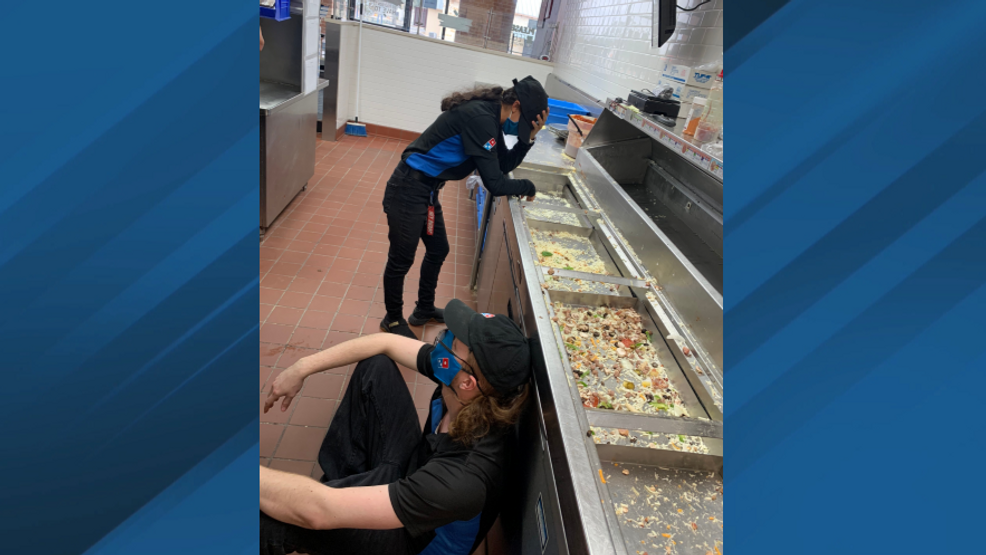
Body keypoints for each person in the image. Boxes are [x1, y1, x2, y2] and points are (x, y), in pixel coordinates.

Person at [260, 299, 532, 555]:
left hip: (415, 540)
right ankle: (342, 489)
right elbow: (385, 342)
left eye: (453, 342)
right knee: (376, 367)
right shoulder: (469, 389)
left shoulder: (463, 478)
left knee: (284, 519)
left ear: (467, 383)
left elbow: (317, 512)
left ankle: (336, 505)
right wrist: (302, 367)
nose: (444, 340)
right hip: (417, 474)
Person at [379, 77, 550, 338]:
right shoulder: (481, 119)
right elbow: (495, 183)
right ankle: (392, 319)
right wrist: (528, 186)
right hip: (408, 188)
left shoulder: (492, 116)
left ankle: (423, 308)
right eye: (525, 122)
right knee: (401, 259)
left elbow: (503, 165)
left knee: (438, 249)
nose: (520, 128)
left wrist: (528, 139)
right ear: (515, 106)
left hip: (427, 189)